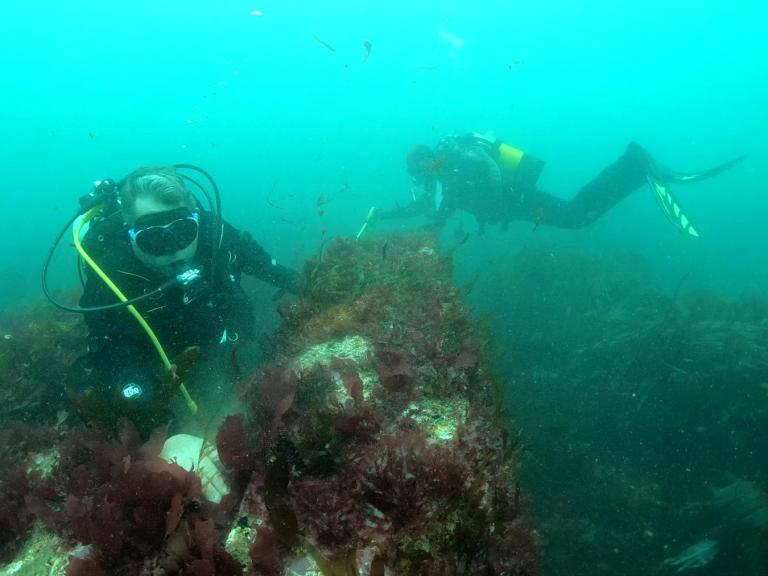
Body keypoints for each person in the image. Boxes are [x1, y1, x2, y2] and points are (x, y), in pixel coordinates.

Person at [64, 166, 301, 436]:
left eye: (183, 231)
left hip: (223, 343)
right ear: (130, 233)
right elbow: (111, 350)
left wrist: (313, 286)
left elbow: (270, 269)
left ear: (196, 219)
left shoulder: (216, 233)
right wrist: (152, 415)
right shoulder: (111, 273)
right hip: (157, 357)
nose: (174, 249)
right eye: (153, 238)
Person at [381, 133, 743, 236]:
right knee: (576, 215)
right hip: (517, 204)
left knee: (576, 216)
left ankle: (633, 163)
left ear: (429, 163)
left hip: (518, 199)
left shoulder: (458, 162)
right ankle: (632, 166)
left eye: (420, 173)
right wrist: (384, 215)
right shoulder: (449, 173)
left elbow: (487, 171)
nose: (422, 179)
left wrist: (490, 201)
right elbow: (431, 206)